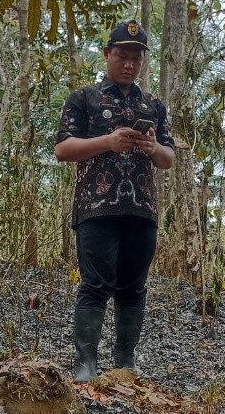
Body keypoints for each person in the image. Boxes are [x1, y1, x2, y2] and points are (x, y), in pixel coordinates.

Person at [54, 20, 176, 381]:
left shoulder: (153, 105)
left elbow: (168, 158)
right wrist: (107, 141)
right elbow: (63, 149)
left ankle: (125, 363)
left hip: (142, 209)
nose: (129, 64)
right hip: (96, 208)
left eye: (136, 58)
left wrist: (152, 147)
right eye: (122, 55)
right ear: (107, 54)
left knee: (134, 287)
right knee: (94, 284)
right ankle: (85, 364)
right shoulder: (84, 97)